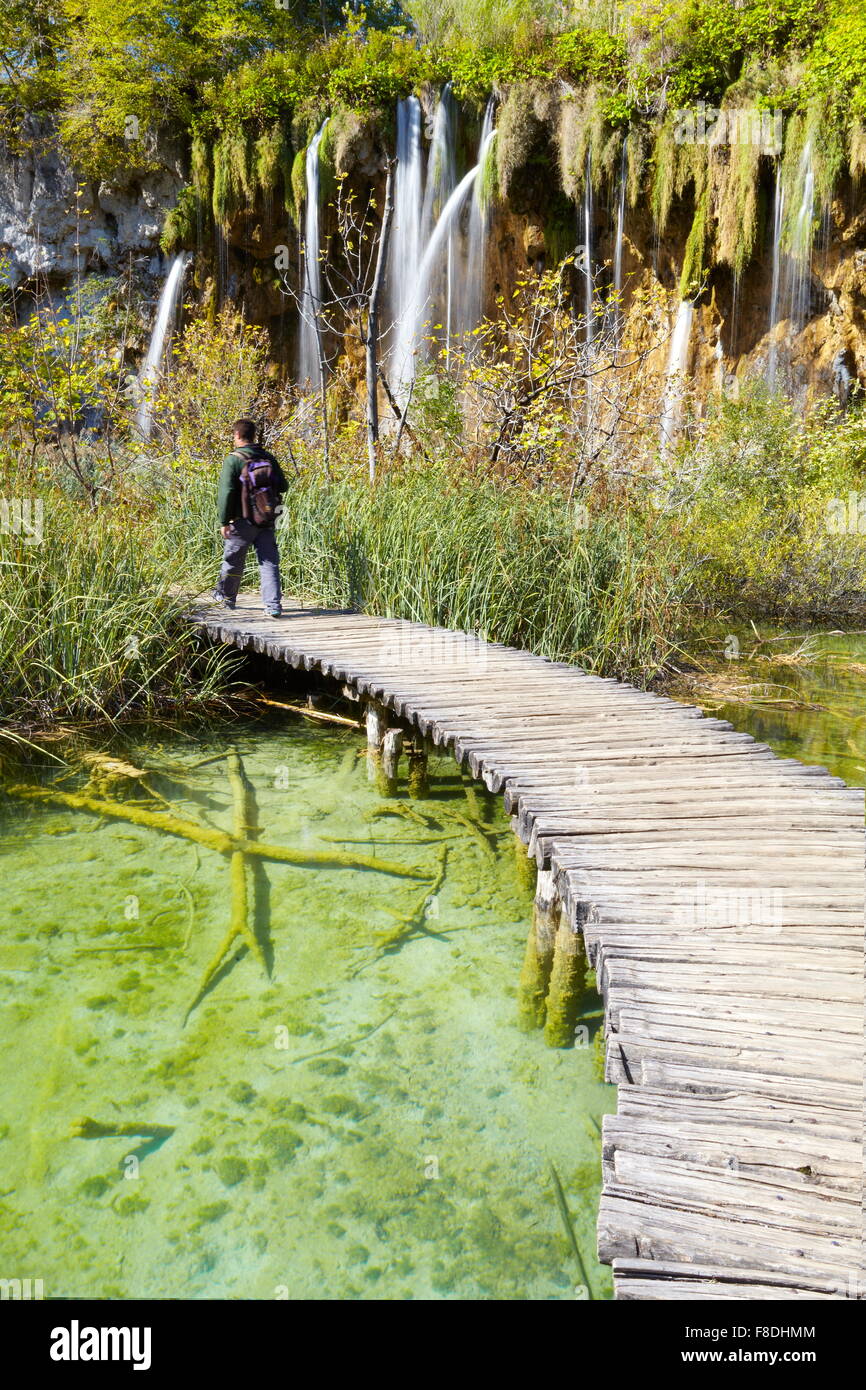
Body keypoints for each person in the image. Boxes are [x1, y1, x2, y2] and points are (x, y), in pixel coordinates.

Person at [212, 418, 288, 618]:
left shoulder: (233, 459)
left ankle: (225, 599)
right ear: (254, 435)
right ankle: (273, 606)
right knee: (269, 562)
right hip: (266, 518)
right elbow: (283, 486)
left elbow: (226, 492)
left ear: (237, 435)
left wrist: (224, 521)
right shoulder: (268, 457)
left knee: (233, 560)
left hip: (241, 520)